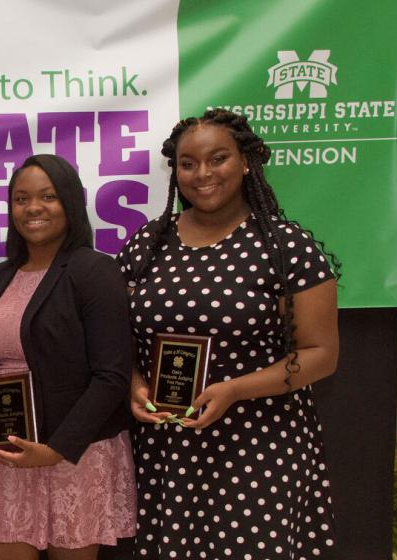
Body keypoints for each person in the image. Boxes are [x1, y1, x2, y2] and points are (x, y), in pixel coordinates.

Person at [119, 108, 340, 558]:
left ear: (246, 162)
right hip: (169, 447)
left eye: (217, 159)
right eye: (188, 163)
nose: (202, 174)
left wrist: (235, 390)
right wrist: (133, 384)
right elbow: (117, 340)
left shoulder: (286, 246)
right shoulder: (146, 244)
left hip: (259, 441)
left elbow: (320, 353)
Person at [0, 154, 137, 560]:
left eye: (48, 196)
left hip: (74, 455)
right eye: (22, 199)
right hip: (7, 452)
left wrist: (56, 449)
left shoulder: (95, 271)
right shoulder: (2, 274)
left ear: (71, 203)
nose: (34, 208)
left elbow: (112, 376)